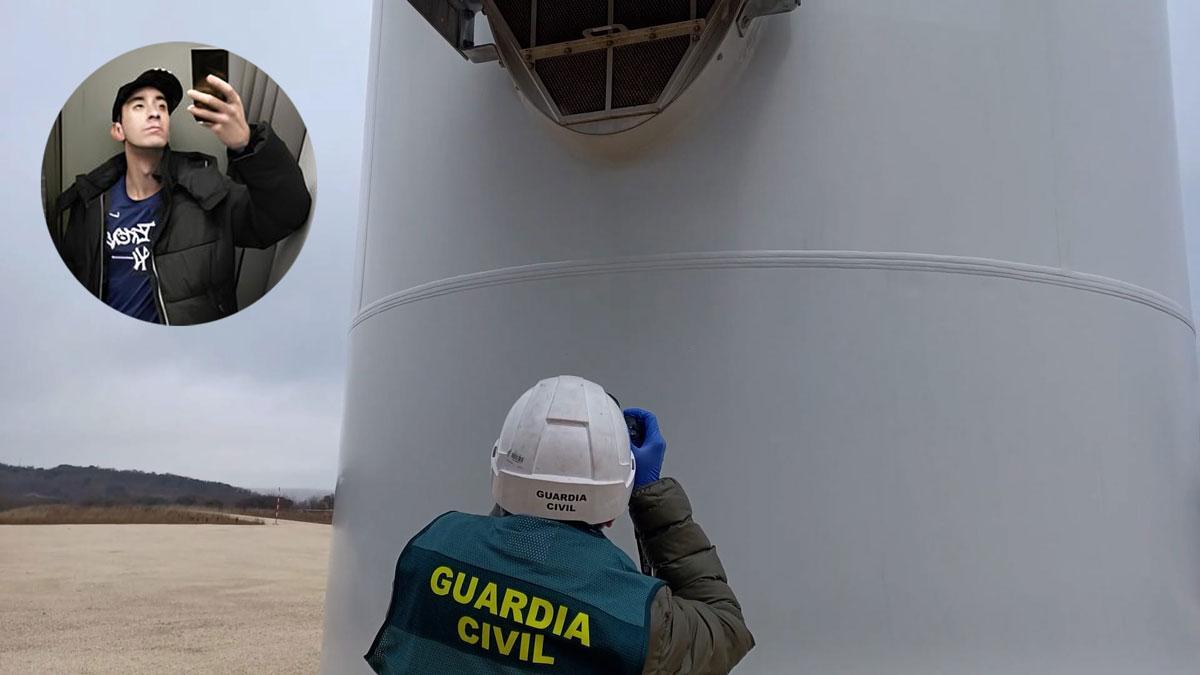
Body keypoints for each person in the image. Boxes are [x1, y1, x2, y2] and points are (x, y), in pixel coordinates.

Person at [367, 375, 754, 674]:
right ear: (620, 492)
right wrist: (651, 496)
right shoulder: (634, 611)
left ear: (500, 464)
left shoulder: (437, 542)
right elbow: (725, 629)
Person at [50, 67, 311, 325]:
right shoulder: (88, 205)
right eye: (139, 106)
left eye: (162, 107)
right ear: (118, 130)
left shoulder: (207, 190)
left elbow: (288, 214)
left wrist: (246, 143)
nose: (154, 112)